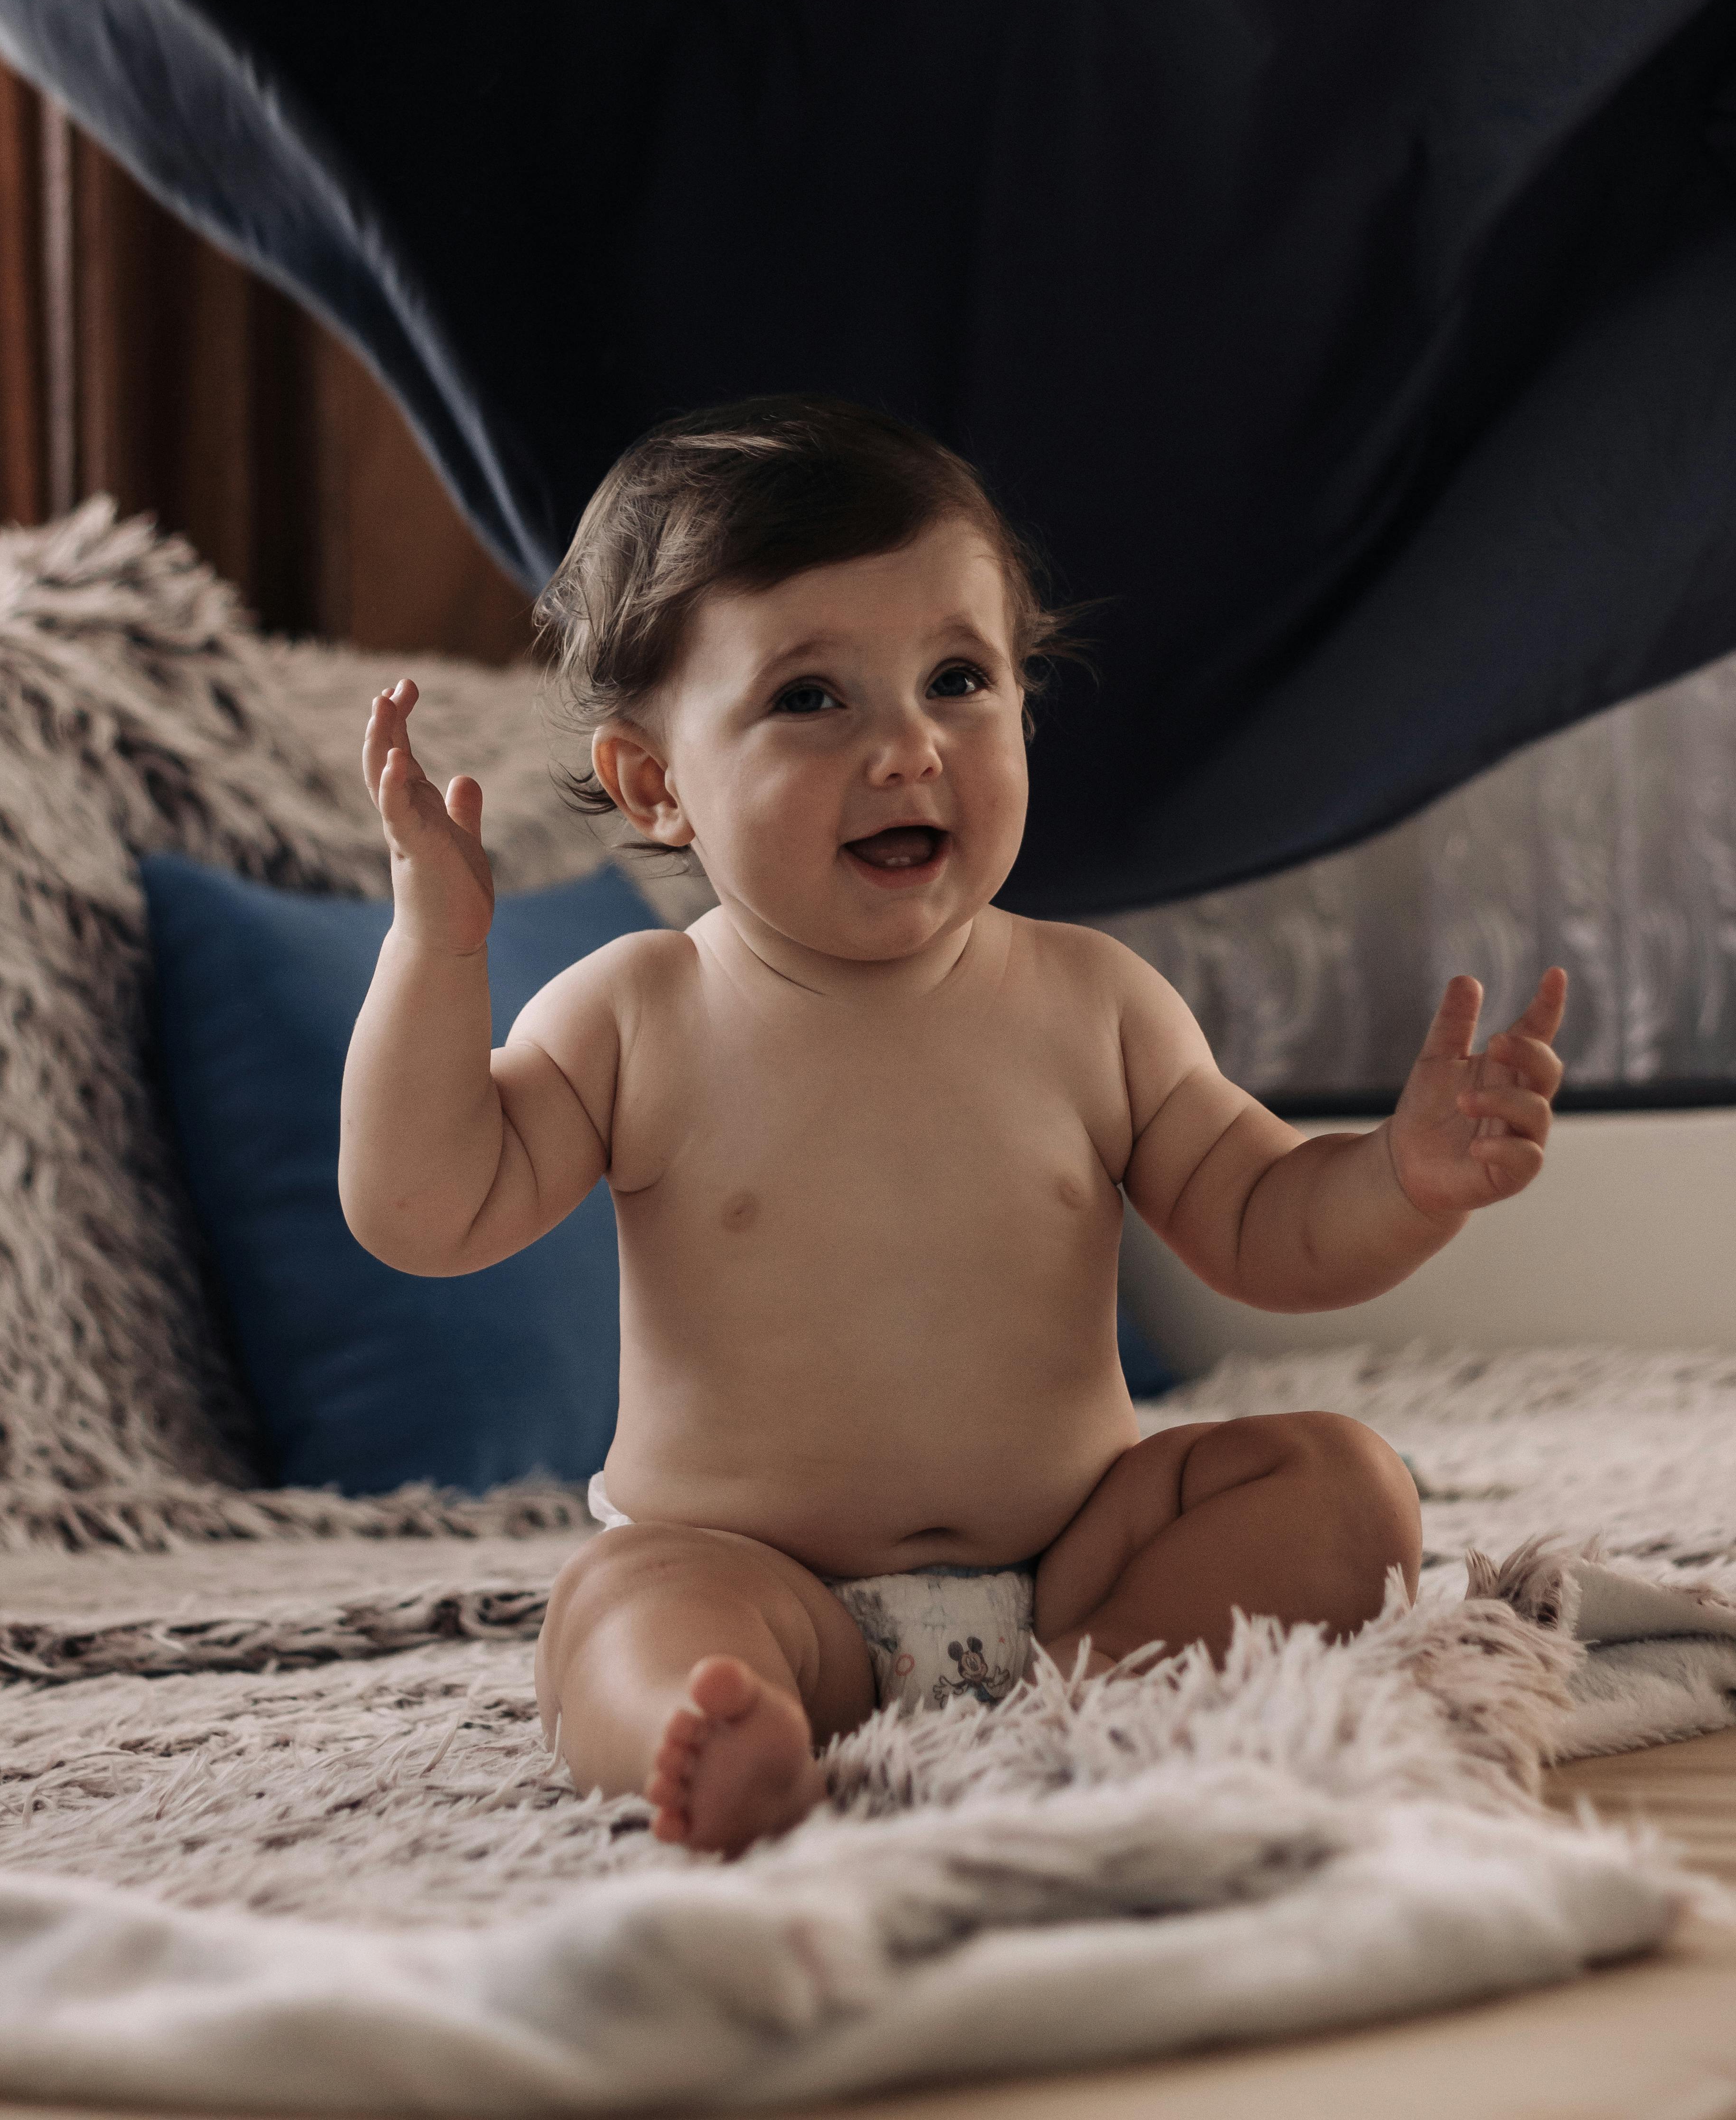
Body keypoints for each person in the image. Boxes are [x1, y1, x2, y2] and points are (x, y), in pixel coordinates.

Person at [339, 398, 1567, 1859]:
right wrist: (437, 948)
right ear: (657, 785)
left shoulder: (1094, 1001)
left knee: (1345, 1487)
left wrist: (1403, 1180)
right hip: (762, 1574)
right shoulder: (635, 1014)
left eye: (958, 680)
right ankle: (730, 1731)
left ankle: (1086, 1704)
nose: (908, 748)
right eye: (811, 698)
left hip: (1078, 1567)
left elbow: (1266, 1225)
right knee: (624, 1614)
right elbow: (423, 1208)